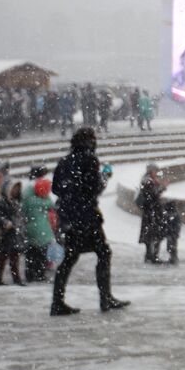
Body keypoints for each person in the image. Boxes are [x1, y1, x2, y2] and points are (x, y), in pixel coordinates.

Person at [50, 127, 128, 315]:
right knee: (103, 253)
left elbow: (55, 189)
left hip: (69, 217)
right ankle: (105, 298)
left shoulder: (64, 162)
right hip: (86, 217)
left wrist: (70, 197)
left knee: (70, 258)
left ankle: (57, 301)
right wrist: (105, 176)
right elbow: (94, 187)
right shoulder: (90, 160)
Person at [21, 168, 56, 283]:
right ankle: (39, 273)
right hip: (43, 231)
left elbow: (24, 210)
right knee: (41, 253)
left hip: (30, 228)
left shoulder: (28, 199)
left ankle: (30, 274)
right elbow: (51, 204)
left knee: (31, 254)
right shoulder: (44, 201)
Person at [0, 181, 26, 286]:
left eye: (17, 189)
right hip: (5, 234)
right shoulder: (0, 202)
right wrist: (5, 222)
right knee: (2, 258)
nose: (16, 191)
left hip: (14, 234)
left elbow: (19, 216)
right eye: (14, 188)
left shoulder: (16, 201)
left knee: (15, 258)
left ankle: (16, 279)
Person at [136, 165, 167, 264]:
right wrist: (162, 187)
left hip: (150, 212)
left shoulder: (147, 180)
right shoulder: (148, 181)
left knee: (150, 235)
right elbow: (153, 195)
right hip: (151, 212)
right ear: (151, 171)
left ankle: (149, 255)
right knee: (154, 234)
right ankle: (153, 256)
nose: (156, 173)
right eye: (155, 171)